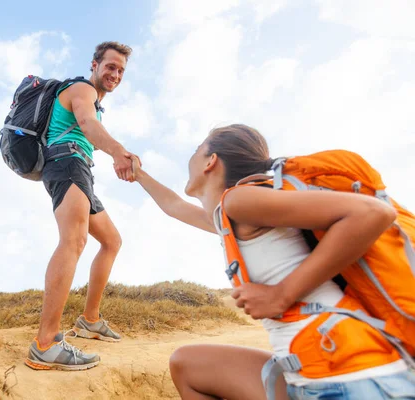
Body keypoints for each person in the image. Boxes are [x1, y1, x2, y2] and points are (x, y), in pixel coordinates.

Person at [131, 124, 415, 399]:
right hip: (312, 374)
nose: (190, 157)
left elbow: (374, 213)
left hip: (353, 377)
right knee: (188, 365)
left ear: (211, 162)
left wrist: (281, 295)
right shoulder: (229, 215)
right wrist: (137, 173)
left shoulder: (239, 201)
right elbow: (175, 207)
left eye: (197, 149)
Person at [25, 41, 139, 371]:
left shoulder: (94, 99)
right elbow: (88, 125)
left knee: (111, 241)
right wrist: (119, 151)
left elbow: (92, 125)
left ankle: (90, 320)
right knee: (73, 241)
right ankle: (45, 343)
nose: (115, 74)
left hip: (79, 167)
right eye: (110, 66)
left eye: (121, 70)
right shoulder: (82, 89)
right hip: (67, 162)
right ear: (94, 64)